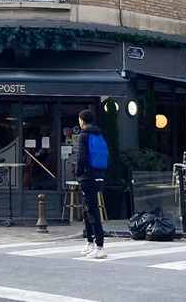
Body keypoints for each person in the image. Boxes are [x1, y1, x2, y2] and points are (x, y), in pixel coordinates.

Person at [75, 109, 110, 259]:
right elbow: (108, 157)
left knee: (92, 212)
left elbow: (81, 157)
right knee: (86, 209)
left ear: (82, 120)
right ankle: (89, 242)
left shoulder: (83, 136)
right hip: (99, 175)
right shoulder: (99, 135)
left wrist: (78, 173)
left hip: (88, 177)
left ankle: (100, 246)